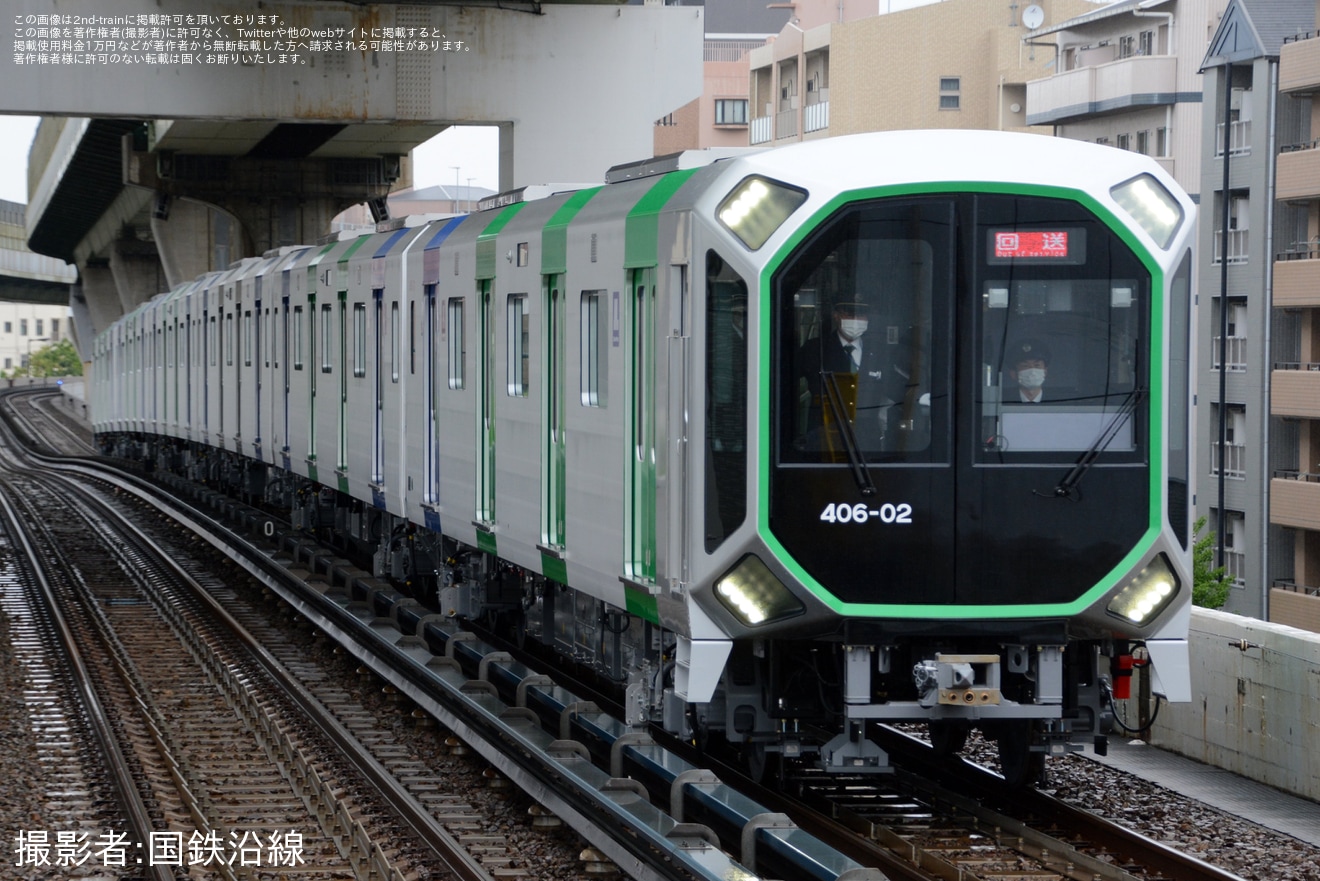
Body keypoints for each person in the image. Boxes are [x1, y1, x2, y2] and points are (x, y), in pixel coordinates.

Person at [1006, 338, 1051, 403]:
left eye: (1037, 365)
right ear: (1013, 374)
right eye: (1025, 366)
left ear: (1045, 371)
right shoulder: (1004, 400)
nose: (1032, 371)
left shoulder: (1058, 401)